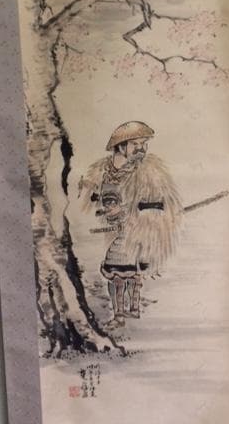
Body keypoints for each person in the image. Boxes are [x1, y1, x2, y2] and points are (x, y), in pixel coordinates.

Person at [79, 121, 183, 327]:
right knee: (119, 274)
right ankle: (122, 313)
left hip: (138, 233)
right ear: (121, 146)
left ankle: (128, 312)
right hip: (115, 230)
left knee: (124, 272)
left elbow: (159, 203)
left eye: (144, 144)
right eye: (136, 144)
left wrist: (131, 212)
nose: (141, 148)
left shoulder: (150, 170)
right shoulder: (102, 170)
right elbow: (88, 201)